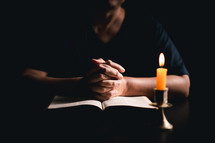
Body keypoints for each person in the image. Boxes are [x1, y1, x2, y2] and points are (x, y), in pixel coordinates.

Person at [21, 0, 190, 110]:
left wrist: (125, 86)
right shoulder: (61, 23)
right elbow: (27, 76)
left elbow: (183, 84)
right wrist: (80, 86)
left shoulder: (147, 26)